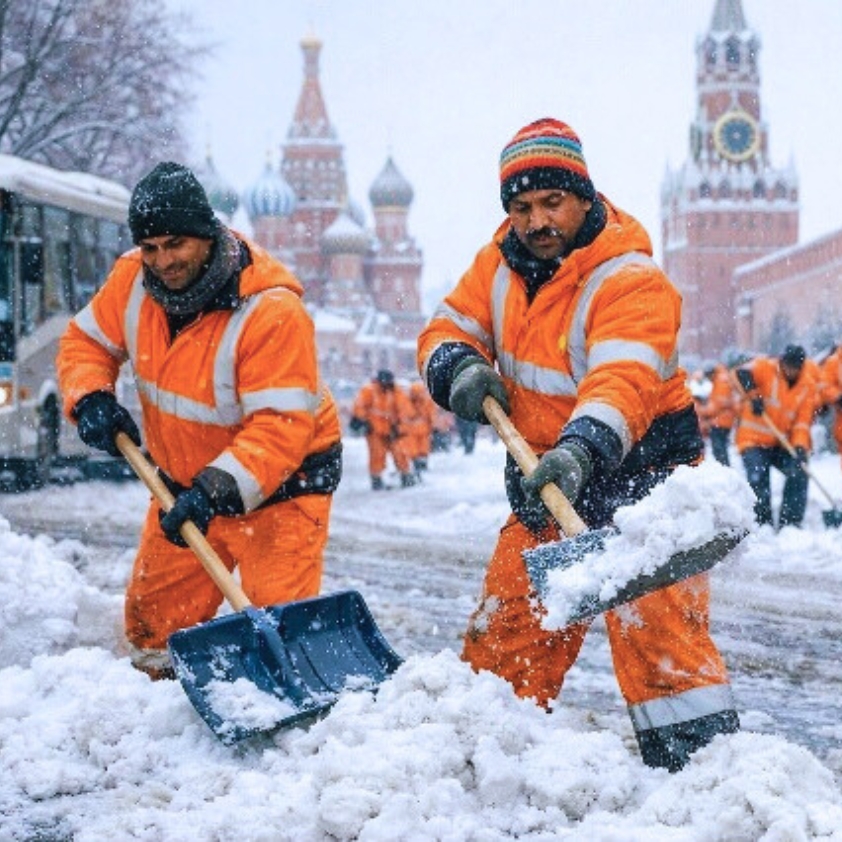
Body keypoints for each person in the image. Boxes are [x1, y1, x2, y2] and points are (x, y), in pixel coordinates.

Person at [417, 118, 739, 772]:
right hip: (546, 485)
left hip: (642, 485)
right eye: (520, 207)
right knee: (504, 643)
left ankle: (706, 783)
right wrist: (457, 365)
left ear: (584, 197)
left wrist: (583, 449)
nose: (536, 221)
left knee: (664, 653)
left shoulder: (628, 275)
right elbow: (446, 326)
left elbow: (622, 381)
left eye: (551, 202)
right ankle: (483, 773)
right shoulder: (497, 265)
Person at [57, 162, 342, 679]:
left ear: (207, 234)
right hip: (181, 483)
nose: (162, 261)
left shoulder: (270, 311)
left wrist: (214, 491)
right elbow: (86, 343)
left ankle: (285, 742)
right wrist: (90, 395)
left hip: (282, 492)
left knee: (278, 635)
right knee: (152, 630)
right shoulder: (132, 279)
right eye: (150, 248)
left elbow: (280, 427)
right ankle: (162, 711)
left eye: (175, 244)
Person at [734, 344, 815, 528]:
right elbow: (740, 373)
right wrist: (753, 395)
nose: (790, 370)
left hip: (780, 444)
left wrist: (800, 447)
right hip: (752, 440)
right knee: (758, 477)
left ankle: (791, 523)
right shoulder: (765, 367)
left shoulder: (807, 387)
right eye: (787, 365)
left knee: (799, 471)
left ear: (801, 367)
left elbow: (802, 423)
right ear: (781, 361)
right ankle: (762, 524)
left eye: (795, 367)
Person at [349, 369, 416, 489]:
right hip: (374, 430)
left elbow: (405, 411)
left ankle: (406, 475)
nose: (385, 385)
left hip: (392, 429)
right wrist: (363, 421)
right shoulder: (369, 390)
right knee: (376, 455)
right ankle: (376, 479)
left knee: (400, 452)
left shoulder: (397, 392)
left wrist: (400, 428)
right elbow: (359, 407)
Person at [698, 362, 737, 466]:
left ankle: (725, 470)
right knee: (720, 449)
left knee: (719, 449)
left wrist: (701, 411)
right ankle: (724, 468)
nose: (708, 380)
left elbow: (718, 404)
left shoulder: (721, 381)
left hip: (721, 421)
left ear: (711, 373)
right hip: (722, 420)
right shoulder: (722, 379)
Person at [406, 379, 436, 477]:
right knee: (416, 449)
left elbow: (431, 415)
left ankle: (420, 464)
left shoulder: (425, 401)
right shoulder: (408, 401)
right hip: (415, 430)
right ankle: (419, 464)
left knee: (421, 448)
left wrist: (432, 425)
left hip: (420, 430)